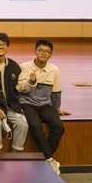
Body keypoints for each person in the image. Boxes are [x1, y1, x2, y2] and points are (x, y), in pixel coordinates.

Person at [17, 39, 66, 175]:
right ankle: (49, 159)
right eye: (41, 50)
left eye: (47, 51)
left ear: (50, 54)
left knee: (59, 127)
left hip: (45, 104)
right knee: (35, 125)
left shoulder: (54, 69)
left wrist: (57, 110)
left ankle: (44, 158)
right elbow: (20, 89)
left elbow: (56, 93)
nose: (44, 53)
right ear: (35, 51)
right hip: (27, 103)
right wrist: (31, 82)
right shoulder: (25, 67)